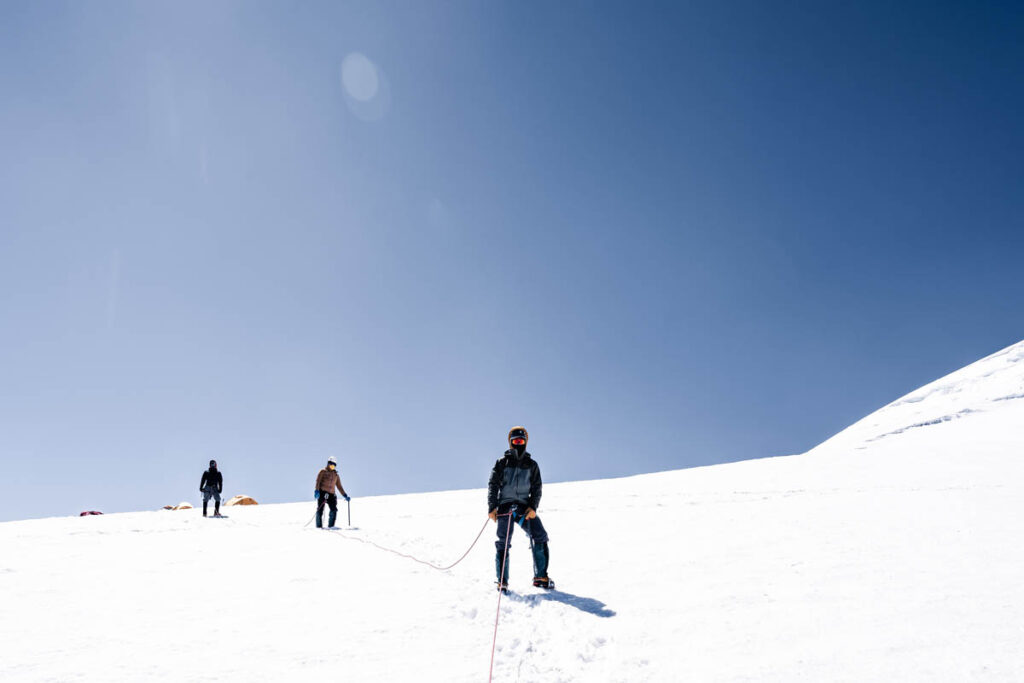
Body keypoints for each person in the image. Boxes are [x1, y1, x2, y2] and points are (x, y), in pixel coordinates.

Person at [487, 426, 552, 591]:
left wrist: (533, 507)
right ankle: (502, 581)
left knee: (540, 535)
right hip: (505, 507)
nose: (518, 444)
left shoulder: (532, 465)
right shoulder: (502, 462)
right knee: (503, 541)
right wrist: (492, 507)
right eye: (515, 441)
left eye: (521, 441)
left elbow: (537, 488)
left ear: (526, 442)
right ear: (510, 443)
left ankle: (541, 577)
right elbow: (493, 485)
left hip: (524, 508)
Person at [315, 456, 350, 529]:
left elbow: (339, 487)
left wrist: (345, 495)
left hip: (331, 495)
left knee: (334, 510)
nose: (332, 467)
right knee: (320, 509)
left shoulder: (336, 475)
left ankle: (331, 526)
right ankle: (319, 527)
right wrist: (317, 490)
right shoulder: (323, 471)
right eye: (331, 465)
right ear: (328, 464)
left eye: (334, 466)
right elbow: (318, 481)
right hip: (322, 493)